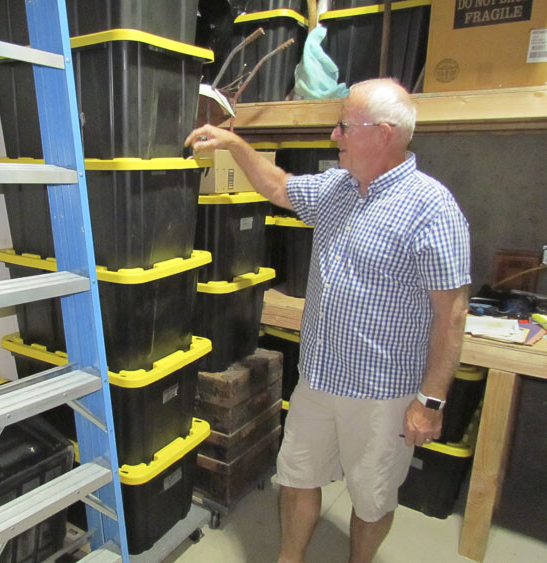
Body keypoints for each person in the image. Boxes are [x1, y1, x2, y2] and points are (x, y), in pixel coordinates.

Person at [185, 78, 470, 563]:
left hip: (383, 391)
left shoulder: (432, 209)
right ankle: (289, 559)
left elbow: (453, 313)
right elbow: (276, 186)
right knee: (297, 476)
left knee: (372, 496)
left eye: (343, 126)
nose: (333, 137)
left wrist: (431, 401)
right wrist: (233, 142)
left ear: (381, 134)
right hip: (319, 377)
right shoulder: (337, 188)